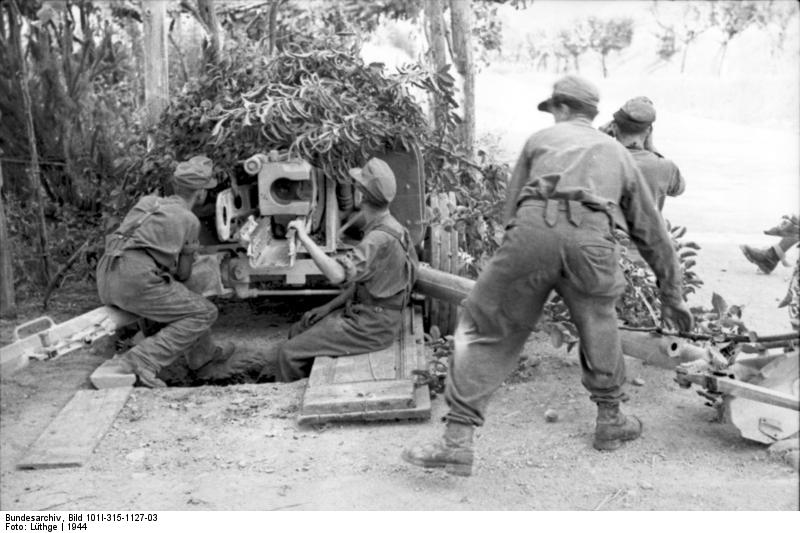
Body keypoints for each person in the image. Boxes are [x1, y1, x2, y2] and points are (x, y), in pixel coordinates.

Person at [402, 75, 694, 477]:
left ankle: (457, 441)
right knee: (598, 320)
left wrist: (520, 264)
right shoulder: (618, 153)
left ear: (558, 109)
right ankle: (610, 420)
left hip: (533, 230)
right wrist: (672, 295)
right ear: (593, 115)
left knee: (488, 325)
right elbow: (652, 231)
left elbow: (510, 212)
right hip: (592, 241)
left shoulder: (539, 141)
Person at [271, 157, 418, 382]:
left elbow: (337, 274)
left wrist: (304, 237)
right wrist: (327, 307)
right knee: (301, 326)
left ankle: (284, 406)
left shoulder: (378, 239)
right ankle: (304, 380)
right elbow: (365, 285)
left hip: (371, 326)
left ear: (360, 196)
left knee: (287, 353)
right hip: (373, 315)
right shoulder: (394, 227)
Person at [96, 155, 235, 387]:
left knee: (173, 294)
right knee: (203, 312)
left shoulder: (147, 202)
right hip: (135, 280)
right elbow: (184, 274)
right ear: (201, 193)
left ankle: (203, 354)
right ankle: (142, 359)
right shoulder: (189, 219)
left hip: (106, 275)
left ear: (175, 185)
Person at [600, 96, 685, 212]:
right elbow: (678, 188)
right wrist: (651, 147)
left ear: (613, 128)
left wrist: (599, 137)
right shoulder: (664, 167)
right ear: (649, 131)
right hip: (647, 230)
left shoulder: (599, 159)